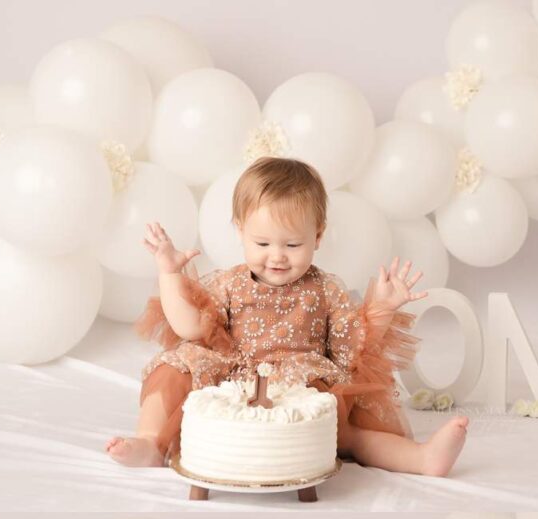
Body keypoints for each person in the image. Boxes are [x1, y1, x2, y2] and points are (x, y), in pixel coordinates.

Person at [106, 156, 467, 477]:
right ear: (240, 230)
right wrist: (169, 274)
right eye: (262, 244)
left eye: (293, 245)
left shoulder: (326, 289)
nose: (277, 256)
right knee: (172, 368)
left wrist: (383, 309)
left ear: (318, 236)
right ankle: (150, 443)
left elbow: (351, 349)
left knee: (346, 435)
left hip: (300, 382)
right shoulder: (230, 283)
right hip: (231, 376)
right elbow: (188, 327)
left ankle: (421, 459)